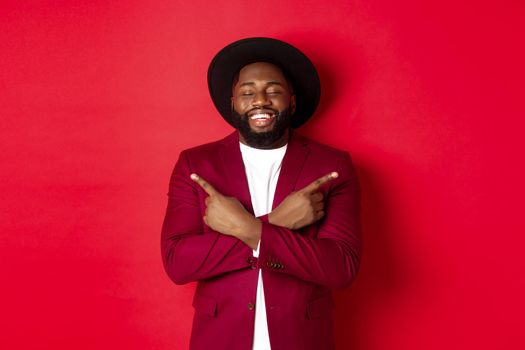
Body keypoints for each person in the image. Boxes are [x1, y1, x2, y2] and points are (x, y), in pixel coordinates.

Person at [161, 37, 361, 350]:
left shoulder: (332, 166)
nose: (260, 100)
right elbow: (177, 264)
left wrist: (248, 229)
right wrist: (277, 222)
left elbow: (341, 267)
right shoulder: (195, 163)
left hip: (302, 339)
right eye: (247, 91)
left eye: (274, 90)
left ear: (292, 101)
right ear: (233, 102)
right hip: (219, 338)